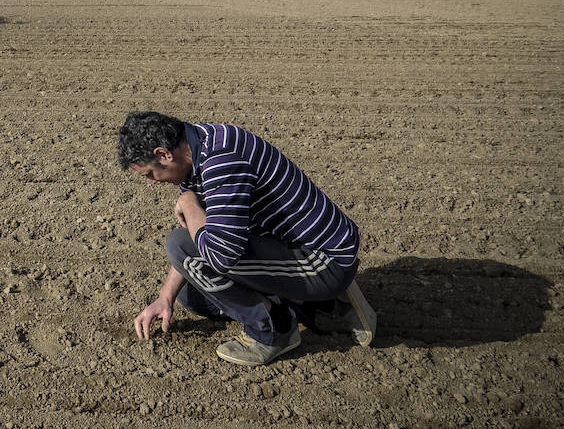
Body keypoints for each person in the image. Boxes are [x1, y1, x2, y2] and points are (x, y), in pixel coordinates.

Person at [117, 110, 376, 366]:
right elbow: (201, 241)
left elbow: (220, 252)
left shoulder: (222, 161)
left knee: (181, 245)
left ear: (163, 153)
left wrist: (189, 203)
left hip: (324, 259)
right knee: (191, 297)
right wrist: (165, 297)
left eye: (149, 174)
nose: (151, 182)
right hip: (289, 248)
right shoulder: (195, 147)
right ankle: (326, 303)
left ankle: (276, 330)